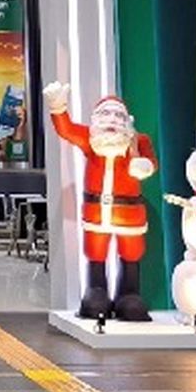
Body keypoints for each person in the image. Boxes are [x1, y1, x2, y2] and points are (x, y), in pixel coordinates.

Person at [43, 81, 156, 321]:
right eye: (106, 114)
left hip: (129, 214)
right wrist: (58, 107)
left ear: (127, 120)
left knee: (131, 253)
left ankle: (129, 294)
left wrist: (142, 164)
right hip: (96, 213)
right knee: (96, 252)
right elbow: (67, 130)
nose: (112, 120)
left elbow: (151, 164)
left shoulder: (139, 142)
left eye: (118, 115)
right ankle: (96, 291)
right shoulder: (91, 140)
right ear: (96, 119)